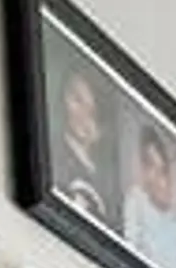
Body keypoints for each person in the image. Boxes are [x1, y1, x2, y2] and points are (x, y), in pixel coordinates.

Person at [49, 63, 122, 227]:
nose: (82, 115)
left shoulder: (108, 178)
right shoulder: (55, 154)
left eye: (92, 110)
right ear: (62, 97)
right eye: (77, 99)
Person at [122, 126, 176, 268]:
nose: (158, 178)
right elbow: (131, 249)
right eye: (150, 165)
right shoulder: (137, 199)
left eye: (162, 170)